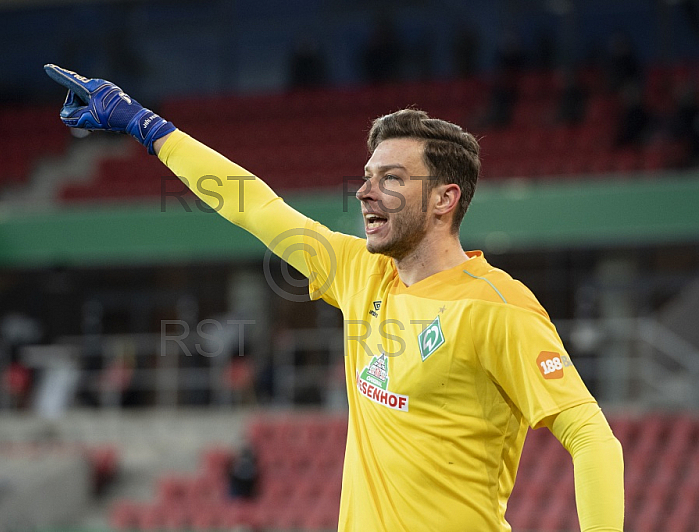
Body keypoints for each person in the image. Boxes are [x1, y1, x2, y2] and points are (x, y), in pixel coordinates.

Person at [44, 64, 624, 531]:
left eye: (391, 178)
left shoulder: (498, 306)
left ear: (446, 199)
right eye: (367, 175)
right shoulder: (360, 272)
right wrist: (146, 126)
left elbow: (593, 439)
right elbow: (255, 206)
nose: (365, 191)